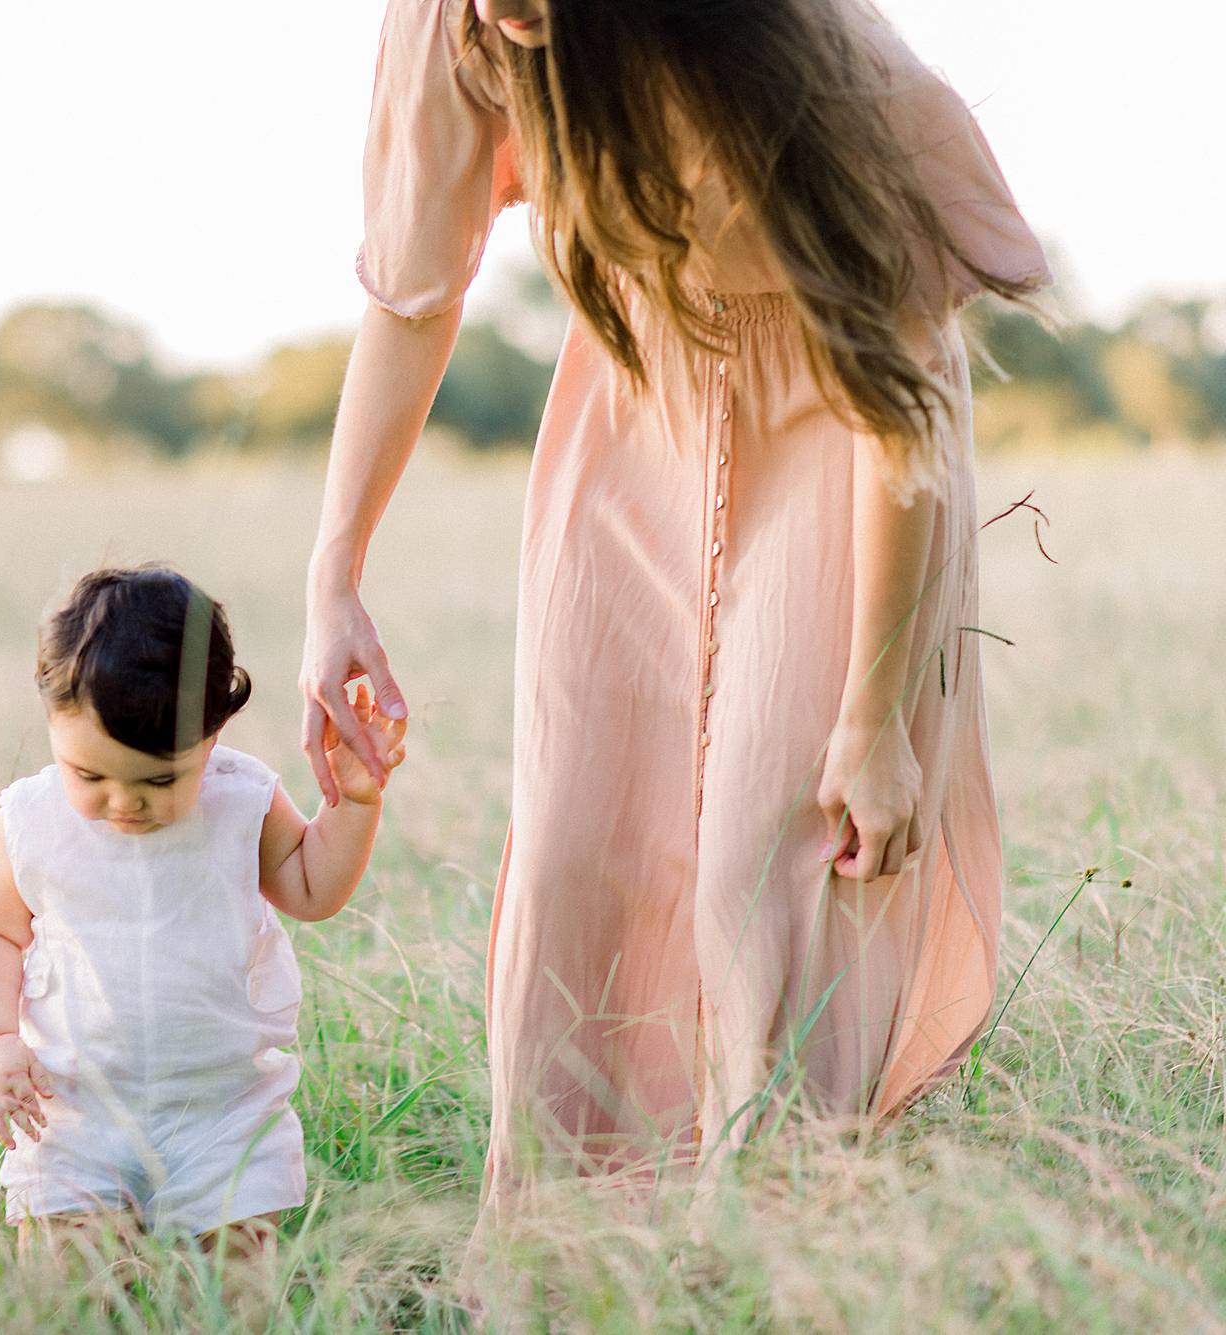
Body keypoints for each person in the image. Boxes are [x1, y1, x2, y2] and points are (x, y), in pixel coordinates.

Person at [299, 0, 1051, 1193]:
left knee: (778, 850)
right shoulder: (450, 23)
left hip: (846, 429)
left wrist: (875, 715)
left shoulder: (798, 43)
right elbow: (411, 295)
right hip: (628, 406)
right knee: (574, 848)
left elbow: (896, 397)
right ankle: (577, 1270)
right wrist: (332, 572)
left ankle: (773, 1253)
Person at [0, 565, 407, 1257]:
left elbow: (313, 889)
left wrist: (357, 803)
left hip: (222, 1113)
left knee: (239, 1288)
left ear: (214, 735)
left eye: (161, 779)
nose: (124, 801)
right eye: (90, 775)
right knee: (63, 1283)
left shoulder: (240, 801)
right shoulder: (32, 821)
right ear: (53, 725)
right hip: (74, 1113)